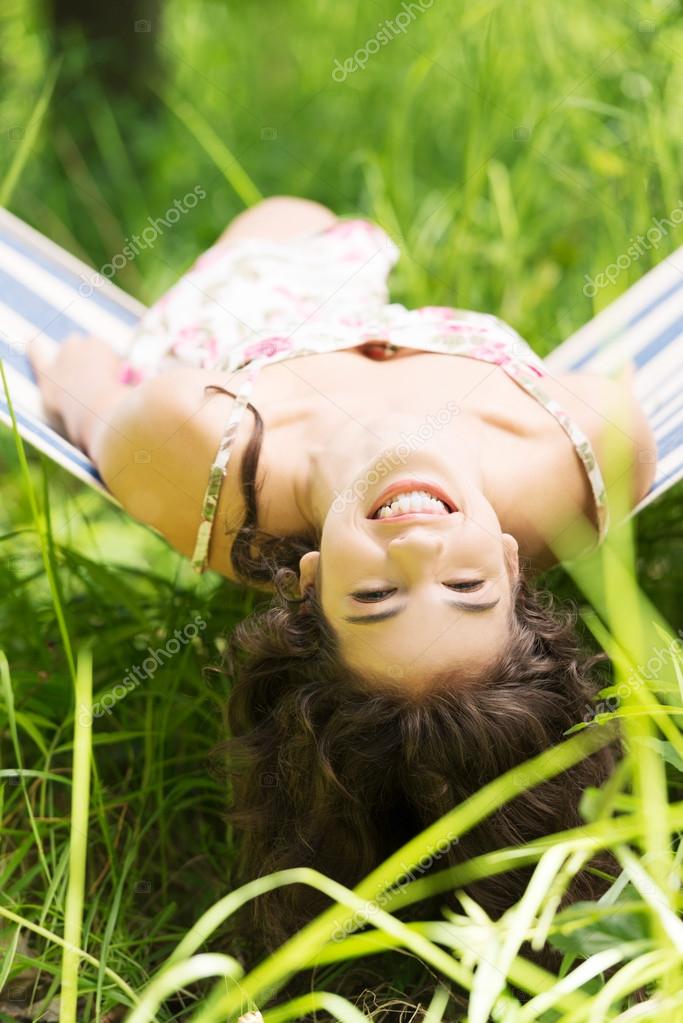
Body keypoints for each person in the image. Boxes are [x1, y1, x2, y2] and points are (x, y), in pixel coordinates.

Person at [29, 196, 656, 949]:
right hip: (431, 346)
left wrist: (67, 364)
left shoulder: (200, 446)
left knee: (289, 214)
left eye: (374, 595)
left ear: (308, 580)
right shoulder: (587, 458)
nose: (420, 547)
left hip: (263, 327)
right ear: (511, 560)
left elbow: (85, 395)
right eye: (466, 587)